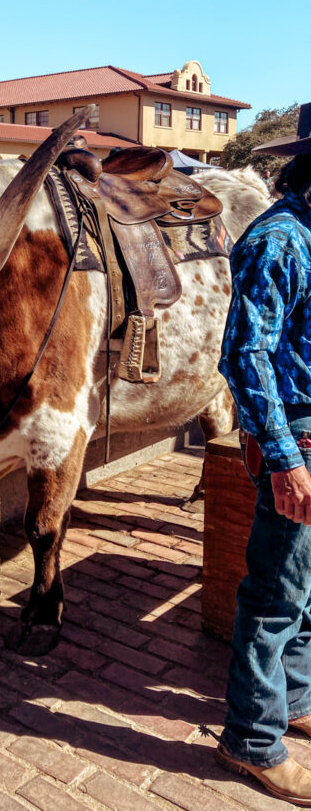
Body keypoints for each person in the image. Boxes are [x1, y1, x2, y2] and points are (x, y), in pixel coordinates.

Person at [216, 102, 311, 805]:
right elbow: (245, 357)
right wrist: (284, 459)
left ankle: (297, 699)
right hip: (299, 436)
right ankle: (252, 739)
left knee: (304, 587)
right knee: (275, 592)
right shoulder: (280, 241)